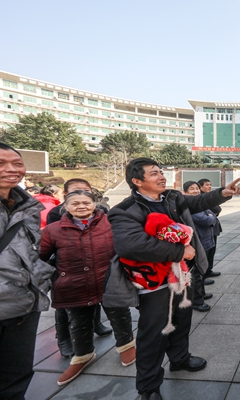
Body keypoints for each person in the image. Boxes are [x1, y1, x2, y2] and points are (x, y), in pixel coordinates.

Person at [108, 157, 240, 399]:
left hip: (182, 275)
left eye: (161, 171)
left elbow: (197, 200)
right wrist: (181, 251)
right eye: (153, 173)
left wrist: (223, 192)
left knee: (182, 320)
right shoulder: (124, 211)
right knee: (154, 333)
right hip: (154, 283)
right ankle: (148, 388)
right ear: (137, 181)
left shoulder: (172, 198)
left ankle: (180, 359)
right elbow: (131, 245)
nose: (161, 176)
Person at [40, 190, 136, 386]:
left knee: (120, 314)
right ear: (65, 207)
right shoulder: (52, 230)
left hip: (109, 280)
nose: (81, 206)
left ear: (95, 204)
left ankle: (126, 345)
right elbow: (39, 258)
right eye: (75, 203)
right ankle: (83, 355)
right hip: (73, 285)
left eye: (86, 202)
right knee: (78, 322)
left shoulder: (110, 223)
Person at [0, 143, 55, 399]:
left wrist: (43, 277)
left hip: (24, 305)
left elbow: (29, 252)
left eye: (17, 163)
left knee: (16, 377)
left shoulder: (27, 207)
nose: (11, 169)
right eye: (1, 163)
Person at [47, 178, 112, 359]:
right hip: (67, 268)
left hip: (95, 263)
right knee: (64, 306)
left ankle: (96, 324)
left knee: (96, 295)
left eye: (86, 191)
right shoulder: (56, 213)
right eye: (75, 192)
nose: (81, 196)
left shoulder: (102, 212)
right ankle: (64, 339)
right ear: (66, 195)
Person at [182, 181, 214, 312]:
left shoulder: (199, 203)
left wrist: (211, 216)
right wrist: (210, 217)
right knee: (195, 274)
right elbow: (207, 220)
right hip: (196, 243)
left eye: (197, 188)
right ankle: (197, 301)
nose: (195, 191)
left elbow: (213, 213)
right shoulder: (188, 206)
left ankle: (201, 294)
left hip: (205, 241)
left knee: (201, 271)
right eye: (191, 189)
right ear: (184, 193)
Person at [197, 178, 221, 280]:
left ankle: (208, 270)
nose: (209, 186)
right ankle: (204, 274)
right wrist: (212, 215)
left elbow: (217, 209)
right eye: (207, 185)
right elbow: (215, 209)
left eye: (210, 184)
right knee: (205, 253)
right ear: (201, 187)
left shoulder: (208, 197)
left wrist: (212, 214)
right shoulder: (201, 198)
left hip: (212, 227)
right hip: (205, 230)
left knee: (212, 251)